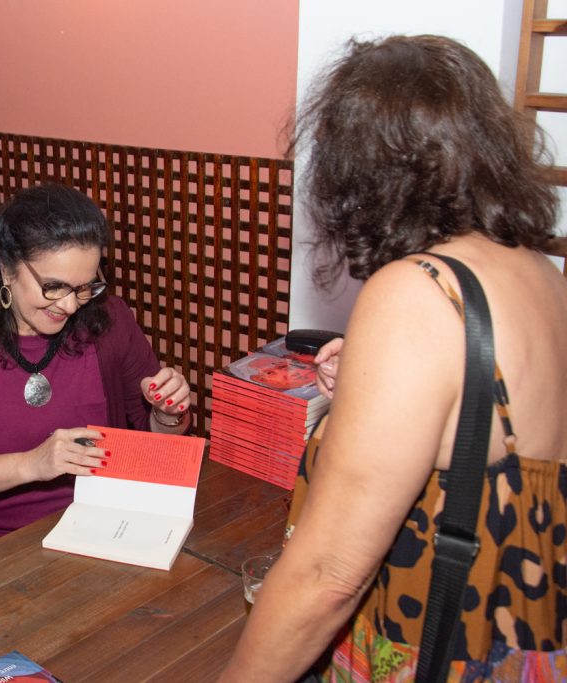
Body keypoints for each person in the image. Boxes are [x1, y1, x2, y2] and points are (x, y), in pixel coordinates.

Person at [219, 35, 566, 681]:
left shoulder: (418, 292)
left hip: (426, 644)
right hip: (517, 635)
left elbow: (330, 575)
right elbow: (487, 438)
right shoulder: (539, 270)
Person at [0, 183, 193, 546]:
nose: (70, 306)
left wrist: (166, 415)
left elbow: (154, 448)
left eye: (85, 287)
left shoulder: (109, 322)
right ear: (6, 268)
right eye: (54, 287)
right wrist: (31, 465)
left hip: (102, 527)